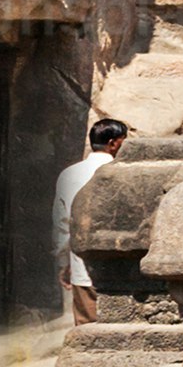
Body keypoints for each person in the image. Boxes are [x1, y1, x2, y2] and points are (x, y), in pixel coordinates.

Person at [50, 116, 128, 321]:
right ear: (113, 143)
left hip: (83, 268)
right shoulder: (125, 174)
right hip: (123, 271)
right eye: (124, 140)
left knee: (87, 333)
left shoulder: (69, 175)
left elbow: (62, 226)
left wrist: (63, 262)